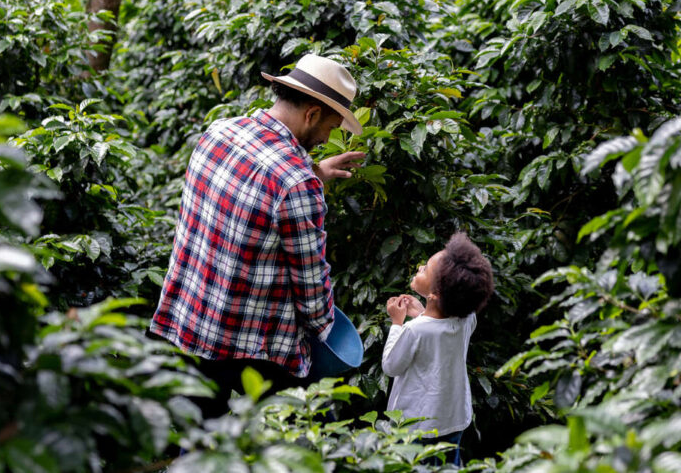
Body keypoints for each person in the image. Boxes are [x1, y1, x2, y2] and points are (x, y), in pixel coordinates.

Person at [151, 54, 365, 419]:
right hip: (253, 339)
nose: (328, 137)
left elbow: (254, 186)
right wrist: (329, 334)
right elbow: (312, 290)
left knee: (202, 443)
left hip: (192, 320)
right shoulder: (297, 183)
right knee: (304, 429)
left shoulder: (219, 131)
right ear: (312, 113)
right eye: (330, 126)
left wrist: (315, 171)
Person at [382, 232, 495, 466]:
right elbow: (440, 330)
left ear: (435, 294)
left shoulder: (415, 331)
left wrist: (397, 323)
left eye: (425, 270)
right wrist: (422, 312)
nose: (421, 266)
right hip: (453, 419)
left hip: (416, 427)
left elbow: (391, 365)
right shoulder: (467, 319)